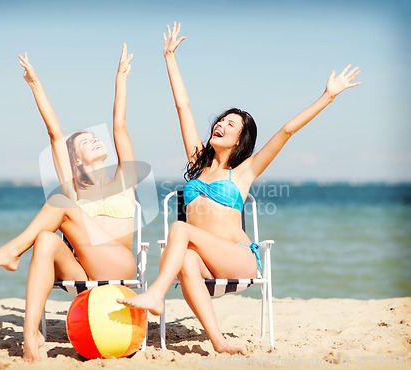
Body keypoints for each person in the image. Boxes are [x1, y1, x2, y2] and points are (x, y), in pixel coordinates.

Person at [118, 22, 361, 355]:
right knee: (186, 259)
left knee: (180, 227)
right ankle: (218, 340)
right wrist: (169, 58)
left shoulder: (245, 172)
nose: (220, 124)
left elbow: (287, 131)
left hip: (238, 260)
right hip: (204, 262)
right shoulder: (198, 162)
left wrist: (328, 96)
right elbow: (182, 108)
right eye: (221, 120)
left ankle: (156, 294)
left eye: (230, 124)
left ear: (240, 140)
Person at [0, 44, 137, 363]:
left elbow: (119, 125)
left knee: (60, 203)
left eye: (95, 138)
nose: (96, 140)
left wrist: (120, 78)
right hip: (81, 271)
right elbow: (54, 132)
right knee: (46, 239)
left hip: (118, 266)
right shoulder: (73, 190)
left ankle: (13, 250)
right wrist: (35, 83)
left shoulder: (122, 180)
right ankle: (30, 336)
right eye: (87, 141)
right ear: (75, 158)